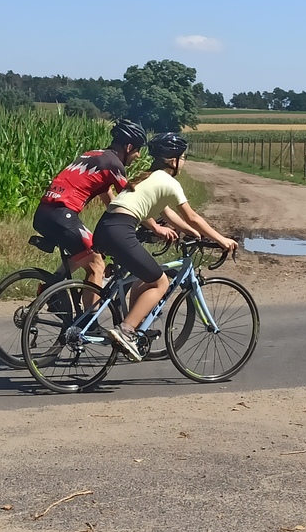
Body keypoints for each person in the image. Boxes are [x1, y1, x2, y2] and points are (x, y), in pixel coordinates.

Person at [92, 131, 238, 362]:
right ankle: (126, 330)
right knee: (161, 281)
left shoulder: (145, 177)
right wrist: (222, 240)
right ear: (173, 160)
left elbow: (166, 213)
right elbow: (192, 216)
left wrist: (192, 233)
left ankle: (133, 325)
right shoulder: (169, 182)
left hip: (107, 227)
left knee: (144, 278)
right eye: (183, 157)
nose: (185, 161)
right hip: (122, 229)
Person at [33, 119, 166, 289]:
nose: (138, 155)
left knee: (89, 248)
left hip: (44, 213)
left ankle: (52, 287)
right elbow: (130, 201)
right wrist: (155, 227)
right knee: (96, 264)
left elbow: (110, 200)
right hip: (61, 215)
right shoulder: (114, 165)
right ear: (128, 147)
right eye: (138, 150)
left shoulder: (94, 155)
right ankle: (90, 315)